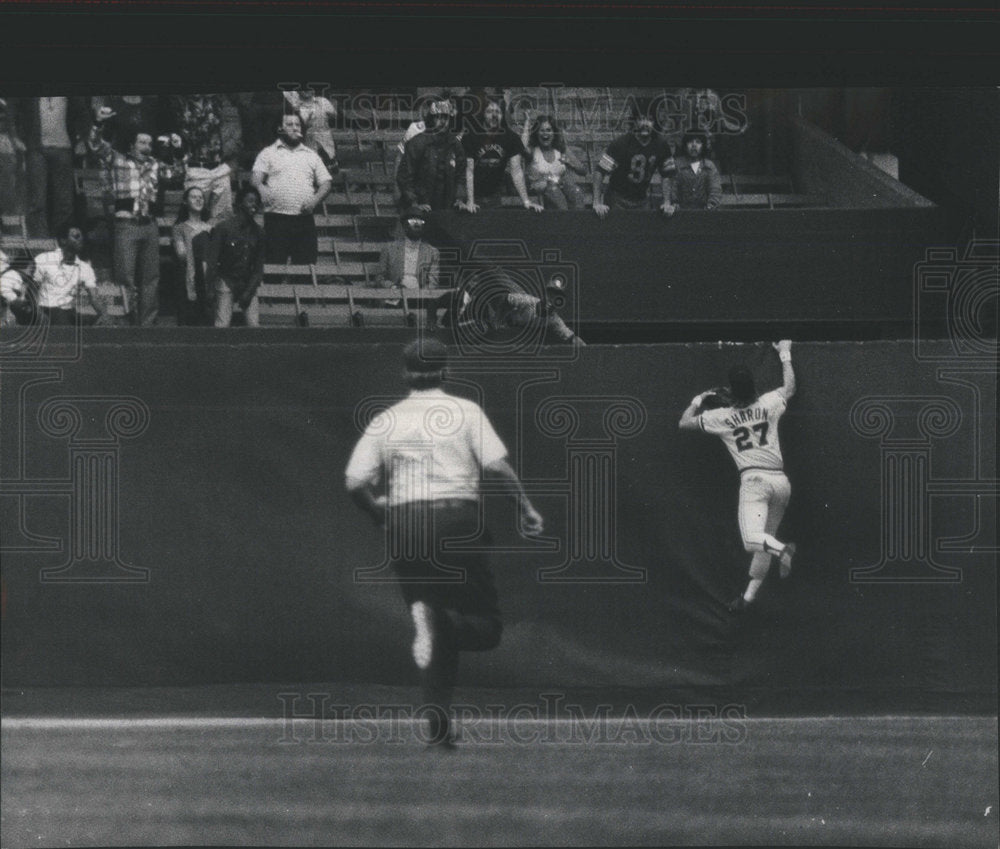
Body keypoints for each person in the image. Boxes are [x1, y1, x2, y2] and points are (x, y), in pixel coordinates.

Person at [345, 338, 544, 748]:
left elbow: (354, 482)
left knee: (434, 627)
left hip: (405, 525)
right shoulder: (465, 412)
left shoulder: (386, 420)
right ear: (446, 371)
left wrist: (379, 513)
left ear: (405, 374)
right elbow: (497, 468)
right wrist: (525, 507)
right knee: (486, 629)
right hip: (455, 521)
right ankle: (444, 623)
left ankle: (439, 727)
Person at [678, 340, 798, 613]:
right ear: (753, 386)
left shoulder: (722, 416)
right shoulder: (768, 403)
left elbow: (684, 422)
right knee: (763, 541)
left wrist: (698, 399)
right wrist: (785, 353)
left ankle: (783, 550)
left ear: (732, 390)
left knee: (752, 539)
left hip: (755, 481)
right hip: (780, 482)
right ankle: (748, 598)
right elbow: (790, 387)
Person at [87, 109, 161, 326]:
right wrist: (98, 122)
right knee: (125, 277)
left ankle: (147, 324)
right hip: (126, 224)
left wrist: (177, 151)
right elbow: (95, 146)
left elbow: (176, 171)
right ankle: (126, 321)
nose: (147, 147)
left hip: (149, 224)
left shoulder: (155, 163)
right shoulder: (118, 159)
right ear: (132, 144)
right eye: (142, 143)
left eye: (149, 143)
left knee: (151, 278)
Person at [251, 113, 332, 266]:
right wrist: (260, 187)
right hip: (276, 220)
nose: (295, 128)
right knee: (273, 267)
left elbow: (326, 183)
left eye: (298, 125)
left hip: (304, 220)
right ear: (280, 128)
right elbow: (255, 178)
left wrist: (314, 201)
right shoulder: (268, 153)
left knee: (305, 270)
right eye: (290, 124)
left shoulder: (311, 155)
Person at [14, 96, 91, 237]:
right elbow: (15, 112)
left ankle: (61, 243)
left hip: (64, 148)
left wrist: (82, 139)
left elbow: (83, 114)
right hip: (36, 149)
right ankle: (40, 245)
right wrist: (16, 138)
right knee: (37, 201)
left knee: (65, 202)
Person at [449, 271, 584, 346]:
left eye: (556, 297)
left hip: (516, 334)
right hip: (502, 319)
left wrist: (587, 348)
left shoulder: (553, 320)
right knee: (482, 326)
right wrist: (497, 320)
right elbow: (504, 299)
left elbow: (571, 337)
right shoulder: (526, 301)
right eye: (550, 294)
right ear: (545, 294)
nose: (551, 300)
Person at [458, 95, 541, 212]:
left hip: (494, 194)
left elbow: (516, 170)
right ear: (483, 114)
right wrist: (470, 200)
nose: (494, 115)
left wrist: (526, 201)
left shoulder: (510, 137)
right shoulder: (471, 136)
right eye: (489, 111)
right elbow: (469, 170)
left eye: (498, 112)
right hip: (468, 194)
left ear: (502, 115)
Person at [592, 106, 676, 218]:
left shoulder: (661, 145)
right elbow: (600, 171)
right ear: (634, 122)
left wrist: (667, 202)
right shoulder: (621, 144)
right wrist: (597, 202)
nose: (645, 123)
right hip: (618, 199)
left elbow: (667, 174)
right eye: (641, 119)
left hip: (642, 200)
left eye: (650, 120)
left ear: (656, 123)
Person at [205, 185, 265, 327]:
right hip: (226, 279)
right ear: (239, 204)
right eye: (250, 201)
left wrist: (249, 291)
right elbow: (212, 262)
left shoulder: (260, 232)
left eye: (256, 202)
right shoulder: (223, 228)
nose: (254, 205)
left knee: (253, 325)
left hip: (248, 281)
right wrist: (210, 289)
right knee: (222, 324)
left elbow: (258, 267)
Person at [167, 94, 233, 220]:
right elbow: (187, 137)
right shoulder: (180, 107)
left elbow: (230, 127)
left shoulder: (216, 102)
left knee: (223, 218)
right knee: (195, 217)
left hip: (219, 168)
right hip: (197, 169)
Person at [396, 96, 466, 214]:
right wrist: (415, 203)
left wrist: (459, 199)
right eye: (438, 117)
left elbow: (461, 176)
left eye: (446, 117)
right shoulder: (417, 143)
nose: (443, 122)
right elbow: (405, 176)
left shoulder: (455, 145)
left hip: (446, 207)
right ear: (431, 119)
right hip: (421, 206)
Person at [32, 221, 106, 325]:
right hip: (46, 311)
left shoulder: (85, 268)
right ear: (63, 240)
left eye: (81, 236)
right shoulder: (44, 259)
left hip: (69, 312)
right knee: (60, 316)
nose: (81, 239)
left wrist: (105, 316)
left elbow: (94, 297)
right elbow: (32, 290)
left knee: (98, 323)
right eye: (76, 236)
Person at [521, 113, 587, 210]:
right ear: (537, 133)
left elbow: (583, 171)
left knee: (576, 192)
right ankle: (564, 221)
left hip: (561, 188)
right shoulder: (533, 150)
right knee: (554, 191)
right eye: (542, 130)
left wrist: (570, 163)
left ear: (554, 133)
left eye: (548, 130)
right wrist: (527, 124)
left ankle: (579, 222)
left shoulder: (561, 149)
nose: (545, 134)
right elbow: (521, 147)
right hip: (539, 189)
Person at [171, 186, 214, 326]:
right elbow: (181, 254)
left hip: (208, 279)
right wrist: (197, 237)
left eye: (201, 197)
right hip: (188, 279)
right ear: (185, 202)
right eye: (193, 197)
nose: (198, 199)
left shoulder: (210, 228)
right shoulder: (179, 228)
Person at [664, 129, 723, 213]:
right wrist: (674, 203)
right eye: (690, 142)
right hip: (681, 212)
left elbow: (715, 189)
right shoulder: (677, 165)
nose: (694, 145)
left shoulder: (709, 166)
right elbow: (673, 187)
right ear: (685, 145)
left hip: (705, 213)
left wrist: (710, 206)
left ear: (703, 146)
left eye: (698, 142)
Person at [283, 88, 339, 173]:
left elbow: (336, 117)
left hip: (326, 148)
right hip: (304, 150)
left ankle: (330, 164)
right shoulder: (294, 106)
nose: (306, 90)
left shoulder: (323, 102)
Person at [0, 249, 34, 327]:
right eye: (31, 268)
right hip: (7, 316)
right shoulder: (10, 275)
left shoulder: (23, 278)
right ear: (24, 266)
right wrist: (21, 300)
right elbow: (5, 292)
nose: (32, 271)